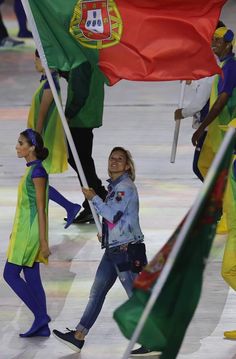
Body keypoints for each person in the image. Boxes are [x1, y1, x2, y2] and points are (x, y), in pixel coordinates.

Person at [52, 147, 148, 353]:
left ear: (127, 165)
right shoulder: (116, 187)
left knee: (134, 296)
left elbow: (112, 214)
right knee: (96, 293)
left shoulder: (125, 188)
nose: (114, 162)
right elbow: (118, 220)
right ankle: (79, 336)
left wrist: (94, 198)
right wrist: (106, 235)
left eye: (119, 159)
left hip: (125, 250)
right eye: (112, 158)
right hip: (114, 249)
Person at [3, 129, 51, 337]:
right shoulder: (32, 170)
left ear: (32, 147)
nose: (17, 146)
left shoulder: (38, 172)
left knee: (10, 274)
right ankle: (43, 327)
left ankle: (40, 315)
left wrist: (43, 241)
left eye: (21, 143)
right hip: (24, 231)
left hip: (30, 234)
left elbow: (41, 208)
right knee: (32, 277)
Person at [28, 50, 81, 228]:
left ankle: (65, 208)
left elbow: (42, 115)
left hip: (42, 139)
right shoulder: (47, 81)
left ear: (43, 59)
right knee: (39, 181)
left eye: (35, 59)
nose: (34, 63)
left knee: (37, 181)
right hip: (41, 137)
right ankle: (68, 207)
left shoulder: (50, 84)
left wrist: (34, 141)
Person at [61, 62, 107, 224]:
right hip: (88, 115)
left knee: (80, 161)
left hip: (80, 118)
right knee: (83, 160)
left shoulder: (81, 60)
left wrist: (69, 113)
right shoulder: (90, 56)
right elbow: (79, 81)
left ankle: (96, 198)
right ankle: (96, 198)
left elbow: (80, 91)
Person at [174, 76, 213, 181]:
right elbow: (205, 86)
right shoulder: (212, 74)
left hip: (209, 128)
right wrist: (192, 82)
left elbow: (198, 104)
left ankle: (216, 194)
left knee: (200, 166)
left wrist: (182, 113)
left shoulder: (214, 72)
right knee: (203, 166)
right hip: (208, 127)